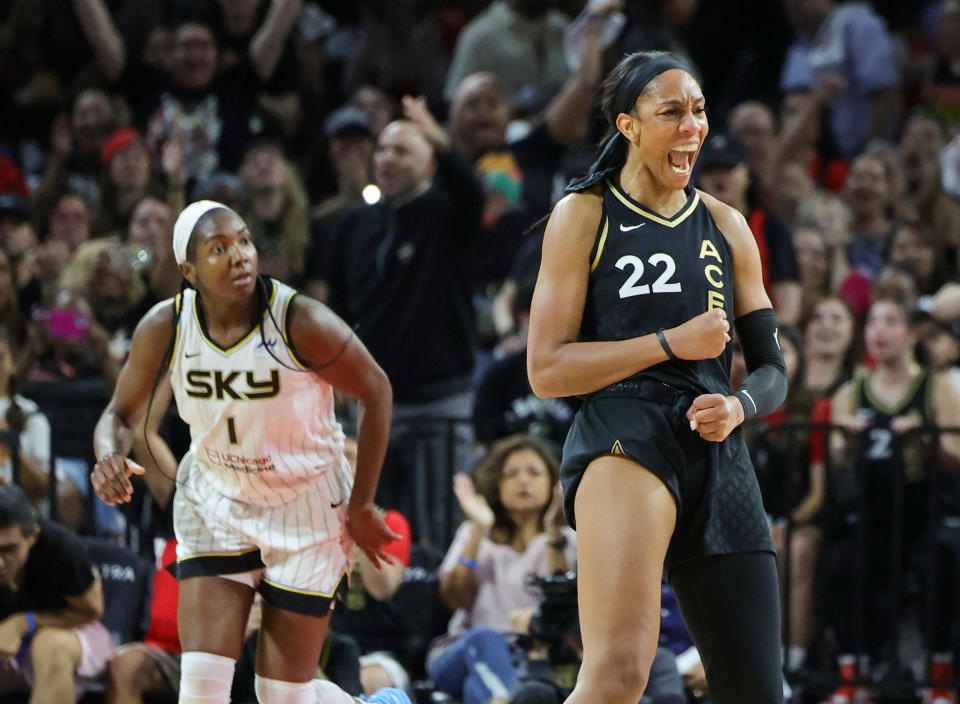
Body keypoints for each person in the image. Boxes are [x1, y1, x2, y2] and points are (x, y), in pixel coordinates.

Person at [526, 51, 787, 704]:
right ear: (629, 125)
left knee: (759, 691)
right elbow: (546, 368)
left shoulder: (728, 226)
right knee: (617, 674)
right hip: (625, 428)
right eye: (671, 111)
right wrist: (670, 342)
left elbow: (773, 370)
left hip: (715, 441)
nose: (692, 126)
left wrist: (740, 406)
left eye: (698, 111)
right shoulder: (584, 214)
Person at [90, 199, 410, 704]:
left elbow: (377, 391)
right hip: (215, 499)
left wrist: (363, 504)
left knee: (281, 696)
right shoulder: (165, 325)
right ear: (188, 270)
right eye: (220, 248)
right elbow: (120, 415)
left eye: (244, 241)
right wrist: (108, 453)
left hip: (304, 503)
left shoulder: (299, 319)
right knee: (200, 692)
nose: (240, 255)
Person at [427, 434, 575, 704]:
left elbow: (562, 604)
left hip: (535, 655)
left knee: (478, 687)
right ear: (497, 483)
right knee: (484, 640)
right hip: (463, 648)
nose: (523, 480)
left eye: (534, 472)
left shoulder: (565, 539)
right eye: (511, 474)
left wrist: (554, 532)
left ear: (553, 483)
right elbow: (454, 599)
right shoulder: (473, 532)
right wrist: (479, 529)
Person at [0, 484, 114, 702]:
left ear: (33, 536)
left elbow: (91, 612)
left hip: (71, 633)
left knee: (51, 646)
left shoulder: (60, 548)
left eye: (9, 550)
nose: (0, 562)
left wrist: (24, 622)